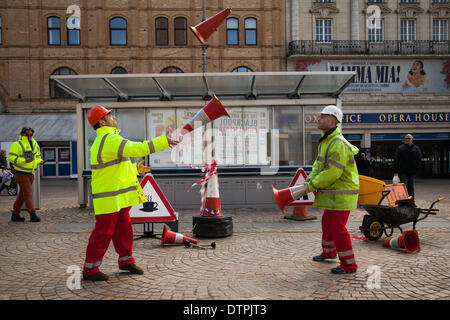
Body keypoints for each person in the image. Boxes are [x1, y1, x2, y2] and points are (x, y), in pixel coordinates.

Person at [82, 105, 179, 281]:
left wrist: (135, 168)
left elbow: (114, 168)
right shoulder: (109, 139)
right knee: (103, 233)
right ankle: (90, 269)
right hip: (110, 198)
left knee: (124, 231)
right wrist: (162, 141)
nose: (113, 117)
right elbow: (138, 148)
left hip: (116, 198)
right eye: (108, 115)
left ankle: (126, 261)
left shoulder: (109, 139)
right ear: (102, 121)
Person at [297, 105, 359, 274]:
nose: (318, 119)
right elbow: (318, 165)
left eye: (322, 117)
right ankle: (329, 252)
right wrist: (310, 179)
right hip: (334, 195)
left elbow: (332, 173)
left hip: (342, 195)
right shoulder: (326, 142)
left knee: (338, 228)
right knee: (327, 223)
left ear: (332, 120)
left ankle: (349, 265)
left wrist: (310, 186)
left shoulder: (337, 144)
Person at [7, 127, 45, 222]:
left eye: (31, 134)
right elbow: (11, 157)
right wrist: (24, 160)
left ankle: (15, 214)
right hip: (20, 172)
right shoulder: (17, 144)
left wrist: (40, 161)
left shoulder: (35, 143)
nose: (29, 136)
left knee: (23, 194)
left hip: (31, 172)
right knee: (27, 193)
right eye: (27, 134)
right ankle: (32, 214)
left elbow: (37, 156)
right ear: (22, 134)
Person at [393, 134, 422, 200]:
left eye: (409, 138)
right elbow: (396, 160)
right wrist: (395, 171)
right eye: (406, 138)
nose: (407, 139)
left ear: (412, 139)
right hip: (403, 171)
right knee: (404, 186)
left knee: (411, 186)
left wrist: (417, 168)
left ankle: (411, 200)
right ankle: (403, 200)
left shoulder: (416, 148)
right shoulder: (400, 148)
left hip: (412, 171)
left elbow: (419, 159)